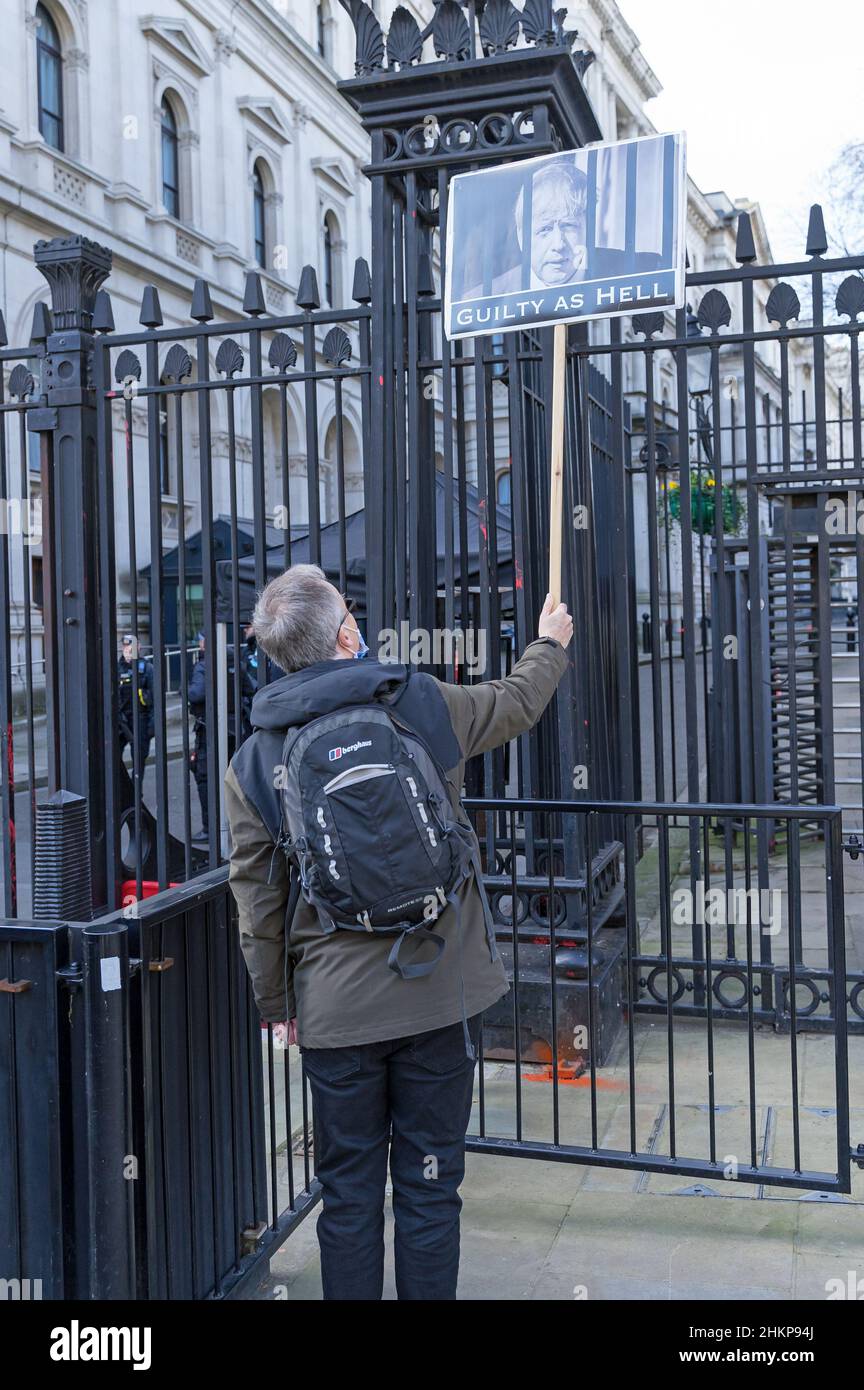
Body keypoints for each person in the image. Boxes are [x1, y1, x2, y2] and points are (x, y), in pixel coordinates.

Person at [224, 562, 573, 1300]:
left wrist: (278, 1004)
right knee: (430, 1184)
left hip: (335, 1010)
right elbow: (515, 703)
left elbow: (256, 903)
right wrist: (549, 644)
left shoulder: (253, 762)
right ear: (347, 631)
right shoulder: (418, 702)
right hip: (439, 989)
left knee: (348, 1194)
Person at [117, 634, 154, 773]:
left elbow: (155, 698)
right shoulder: (116, 669)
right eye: (126, 646)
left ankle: (137, 792)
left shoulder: (147, 669)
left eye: (132, 645)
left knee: (139, 761)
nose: (129, 649)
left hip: (140, 719)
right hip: (121, 721)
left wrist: (152, 725)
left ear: (138, 647)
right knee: (114, 759)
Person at [187, 632, 209, 842]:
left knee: (204, 777)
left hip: (208, 729)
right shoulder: (233, 659)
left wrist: (184, 690)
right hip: (233, 728)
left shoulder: (203, 666)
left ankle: (209, 828)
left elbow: (196, 694)